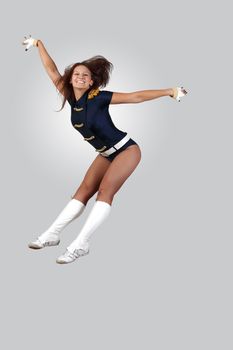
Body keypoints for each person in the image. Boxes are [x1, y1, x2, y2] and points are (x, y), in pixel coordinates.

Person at [22, 35, 188, 264]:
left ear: (91, 82)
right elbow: (51, 69)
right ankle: (51, 235)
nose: (80, 77)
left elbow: (135, 97)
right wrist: (39, 44)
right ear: (70, 79)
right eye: (76, 74)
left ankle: (80, 245)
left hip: (126, 150)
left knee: (104, 192)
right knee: (82, 192)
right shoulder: (71, 98)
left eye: (85, 75)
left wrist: (169, 91)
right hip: (105, 154)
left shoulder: (98, 97)